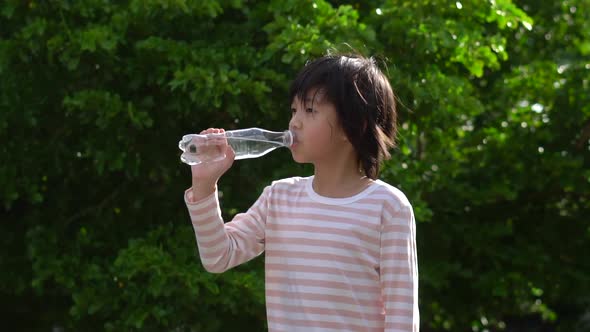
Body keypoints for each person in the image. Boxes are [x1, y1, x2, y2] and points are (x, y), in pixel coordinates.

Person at [184, 53, 419, 331]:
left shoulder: (388, 207)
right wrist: (204, 186)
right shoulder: (278, 198)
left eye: (309, 111)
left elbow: (401, 318)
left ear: (353, 126)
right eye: (294, 110)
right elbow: (218, 257)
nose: (294, 123)